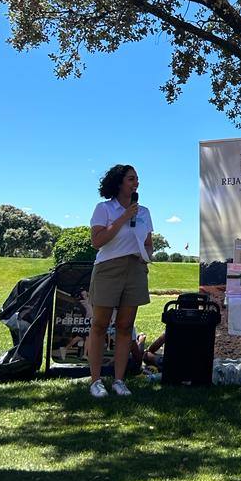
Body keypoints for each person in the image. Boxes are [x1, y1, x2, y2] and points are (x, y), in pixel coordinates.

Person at [85, 164, 153, 398]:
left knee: (125, 327)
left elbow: (148, 243)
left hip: (134, 269)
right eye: (131, 179)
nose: (136, 183)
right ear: (119, 183)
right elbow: (97, 241)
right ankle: (95, 381)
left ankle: (119, 380)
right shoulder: (104, 208)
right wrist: (124, 216)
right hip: (108, 269)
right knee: (100, 325)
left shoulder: (144, 211)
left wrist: (146, 258)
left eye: (137, 179)